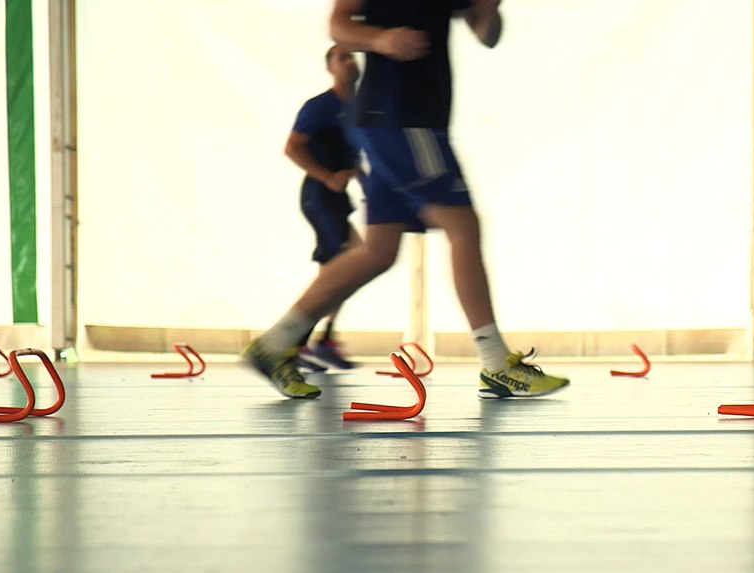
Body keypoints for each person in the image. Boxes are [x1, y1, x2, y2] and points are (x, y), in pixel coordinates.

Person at [244, 0, 569, 400]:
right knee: (463, 226)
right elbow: (339, 24)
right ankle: (497, 362)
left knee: (378, 251)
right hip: (399, 118)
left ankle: (276, 342)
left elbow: (486, 32)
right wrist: (381, 39)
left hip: (413, 119)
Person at [283, 45, 366, 372]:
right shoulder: (320, 107)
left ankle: (320, 340)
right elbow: (292, 147)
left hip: (338, 199)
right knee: (339, 270)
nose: (350, 62)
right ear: (330, 67)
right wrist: (327, 176)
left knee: (355, 264)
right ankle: (298, 343)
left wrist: (357, 173)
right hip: (319, 196)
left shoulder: (361, 108)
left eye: (352, 56)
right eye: (342, 57)